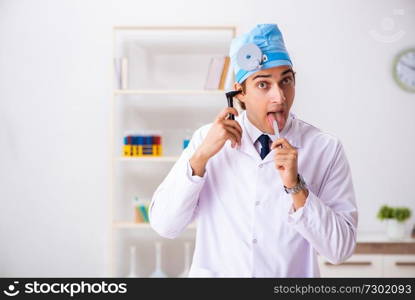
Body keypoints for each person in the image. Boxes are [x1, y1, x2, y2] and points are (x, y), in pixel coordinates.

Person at [149, 24, 358, 277]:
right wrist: (201, 156)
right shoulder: (206, 140)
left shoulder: (325, 148)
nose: (279, 97)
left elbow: (340, 250)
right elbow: (165, 225)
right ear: (240, 92)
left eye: (286, 80)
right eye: (263, 84)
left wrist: (296, 187)